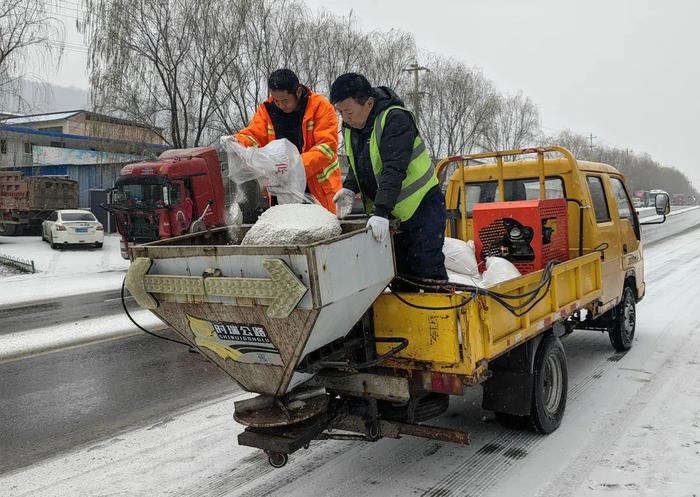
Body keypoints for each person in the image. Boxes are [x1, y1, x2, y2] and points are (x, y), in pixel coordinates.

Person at [329, 72, 448, 285]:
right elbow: (362, 166)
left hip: (421, 209)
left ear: (369, 103)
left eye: (348, 111)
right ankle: (405, 319)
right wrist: (349, 187)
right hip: (391, 216)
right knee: (397, 277)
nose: (345, 118)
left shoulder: (395, 119)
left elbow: (393, 169)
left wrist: (381, 211)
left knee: (427, 271)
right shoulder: (352, 127)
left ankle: (440, 317)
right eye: (340, 113)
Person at [235, 69, 341, 213]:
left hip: (319, 191)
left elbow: (327, 148)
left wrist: (295, 166)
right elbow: (253, 135)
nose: (280, 105)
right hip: (283, 191)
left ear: (297, 92)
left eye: (285, 101)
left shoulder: (320, 107)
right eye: (276, 100)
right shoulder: (267, 110)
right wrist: (236, 142)